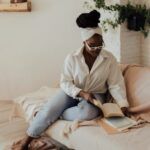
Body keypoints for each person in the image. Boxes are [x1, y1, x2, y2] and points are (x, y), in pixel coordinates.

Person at [11, 10, 129, 150]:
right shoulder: (72, 58)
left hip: (96, 95)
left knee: (89, 113)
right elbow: (65, 82)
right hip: (72, 92)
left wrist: (122, 104)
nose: (97, 49)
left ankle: (56, 113)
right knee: (49, 110)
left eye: (100, 44)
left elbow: (116, 84)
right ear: (84, 42)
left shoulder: (109, 59)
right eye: (92, 45)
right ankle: (26, 141)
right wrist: (81, 93)